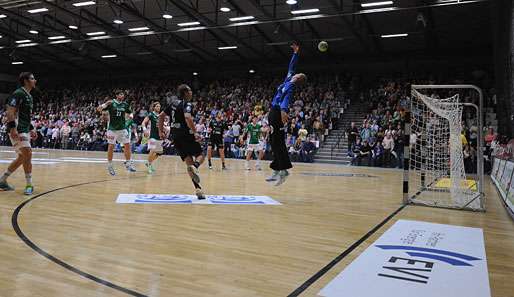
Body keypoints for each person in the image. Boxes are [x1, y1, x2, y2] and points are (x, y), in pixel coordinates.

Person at [266, 43, 307, 186]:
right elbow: (292, 66)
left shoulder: (291, 85)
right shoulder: (289, 78)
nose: (296, 73)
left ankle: (284, 170)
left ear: (298, 78)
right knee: (273, 141)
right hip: (273, 111)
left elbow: (286, 100)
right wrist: (296, 53)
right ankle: (277, 169)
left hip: (279, 112)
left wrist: (283, 112)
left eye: (298, 74)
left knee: (278, 142)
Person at [159, 84, 206, 199]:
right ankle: (196, 166)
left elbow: (161, 116)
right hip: (186, 134)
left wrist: (161, 131)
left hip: (175, 136)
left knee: (188, 161)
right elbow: (188, 117)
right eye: (190, 90)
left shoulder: (173, 104)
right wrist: (195, 132)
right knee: (201, 155)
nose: (191, 92)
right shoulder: (187, 104)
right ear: (185, 93)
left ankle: (198, 189)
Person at [0, 72, 38, 194]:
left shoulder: (29, 96)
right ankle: (29, 185)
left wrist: (31, 128)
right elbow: (10, 112)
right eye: (32, 78)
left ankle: (2, 180)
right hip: (17, 128)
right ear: (26, 81)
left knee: (22, 157)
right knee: (28, 153)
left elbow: (25, 115)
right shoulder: (18, 93)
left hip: (24, 128)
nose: (35, 80)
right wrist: (12, 128)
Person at [96, 90, 136, 176]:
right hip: (112, 129)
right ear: (117, 95)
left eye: (123, 94)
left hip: (122, 128)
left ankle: (128, 163)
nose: (123, 96)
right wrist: (105, 104)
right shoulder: (111, 103)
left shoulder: (125, 104)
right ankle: (110, 165)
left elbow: (130, 112)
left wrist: (131, 117)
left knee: (127, 145)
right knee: (111, 146)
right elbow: (98, 109)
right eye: (121, 94)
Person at [142, 101, 163, 174]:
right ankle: (149, 165)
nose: (158, 107)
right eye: (157, 106)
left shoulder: (161, 115)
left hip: (159, 136)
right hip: (152, 136)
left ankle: (148, 162)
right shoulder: (151, 114)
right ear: (154, 107)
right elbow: (143, 122)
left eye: (159, 106)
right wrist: (144, 130)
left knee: (159, 153)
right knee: (152, 150)